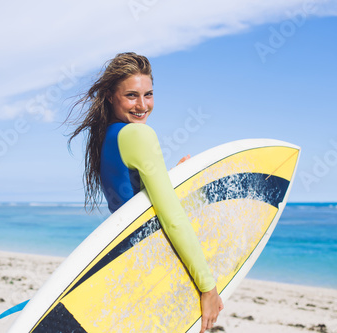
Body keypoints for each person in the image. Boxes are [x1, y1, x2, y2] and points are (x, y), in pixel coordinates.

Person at [65, 52, 223, 332]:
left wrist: (173, 178)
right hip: (157, 267)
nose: (142, 105)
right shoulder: (139, 135)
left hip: (130, 264)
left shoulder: (105, 139)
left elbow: (134, 201)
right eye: (131, 96)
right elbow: (172, 217)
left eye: (148, 94)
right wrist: (207, 287)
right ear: (111, 96)